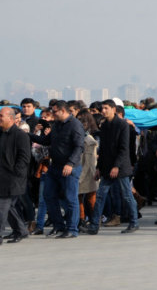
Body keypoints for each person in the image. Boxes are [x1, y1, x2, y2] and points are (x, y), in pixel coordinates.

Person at [82, 100, 140, 235]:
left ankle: (134, 222)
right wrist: (99, 168)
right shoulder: (105, 125)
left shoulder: (122, 125)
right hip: (107, 168)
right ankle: (94, 226)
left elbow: (123, 148)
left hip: (120, 168)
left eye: (106, 108)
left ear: (114, 109)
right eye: (102, 108)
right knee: (101, 195)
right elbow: (104, 149)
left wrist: (116, 166)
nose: (103, 111)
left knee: (126, 195)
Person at [29, 100, 85, 238]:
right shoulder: (57, 125)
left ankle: (72, 229)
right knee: (48, 195)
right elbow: (46, 141)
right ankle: (59, 226)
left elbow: (79, 147)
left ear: (63, 111)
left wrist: (70, 163)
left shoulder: (75, 125)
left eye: (54, 111)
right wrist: (27, 135)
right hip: (55, 167)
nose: (52, 114)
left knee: (70, 198)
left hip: (69, 167)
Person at [0, 107, 31, 245]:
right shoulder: (1, 133)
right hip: (2, 177)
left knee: (2, 207)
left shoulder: (20, 135)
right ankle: (21, 230)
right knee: (9, 207)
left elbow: (24, 158)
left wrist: (16, 174)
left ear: (11, 119)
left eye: (1, 116)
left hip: (13, 178)